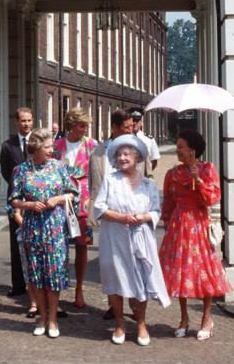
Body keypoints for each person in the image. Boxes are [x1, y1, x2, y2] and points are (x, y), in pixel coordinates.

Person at [93, 135, 170, 347]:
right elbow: (99, 208)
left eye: (126, 154)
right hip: (115, 237)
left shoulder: (149, 184)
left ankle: (141, 324)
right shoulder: (111, 180)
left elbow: (156, 210)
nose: (122, 158)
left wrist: (143, 217)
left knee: (140, 281)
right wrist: (121, 218)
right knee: (116, 279)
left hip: (141, 238)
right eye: (119, 155)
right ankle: (119, 324)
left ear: (137, 157)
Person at [159, 128, 231, 341]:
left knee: (202, 271)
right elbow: (168, 203)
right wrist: (167, 223)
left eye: (181, 147)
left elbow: (212, 198)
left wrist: (198, 179)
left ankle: (206, 318)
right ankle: (183, 318)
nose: (178, 151)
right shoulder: (172, 173)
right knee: (180, 272)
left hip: (198, 224)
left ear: (192, 150)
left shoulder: (207, 168)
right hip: (179, 226)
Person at [9, 128, 78, 338]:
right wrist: (29, 205)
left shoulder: (59, 167)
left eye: (51, 146)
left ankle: (53, 320)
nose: (51, 150)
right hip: (33, 228)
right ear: (36, 148)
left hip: (55, 227)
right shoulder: (21, 170)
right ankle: (41, 316)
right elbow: (13, 200)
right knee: (36, 274)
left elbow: (74, 193)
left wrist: (58, 199)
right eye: (47, 147)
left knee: (54, 274)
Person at [88, 107, 137, 320]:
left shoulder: (137, 150)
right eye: (126, 128)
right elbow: (93, 184)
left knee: (134, 261)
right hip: (107, 214)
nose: (130, 131)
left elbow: (144, 177)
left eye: (131, 127)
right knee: (110, 262)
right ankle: (114, 304)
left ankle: (136, 306)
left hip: (131, 213)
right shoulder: (98, 152)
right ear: (114, 128)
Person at [53, 107, 97, 309]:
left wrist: (94, 200)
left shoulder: (91, 145)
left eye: (86, 125)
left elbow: (97, 174)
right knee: (60, 248)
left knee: (81, 247)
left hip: (82, 203)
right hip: (60, 202)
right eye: (81, 125)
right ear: (71, 125)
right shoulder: (57, 145)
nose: (85, 128)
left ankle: (79, 288)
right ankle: (58, 289)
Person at [0, 107, 34, 299]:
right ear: (16, 122)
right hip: (16, 199)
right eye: (23, 121)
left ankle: (35, 283)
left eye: (29, 120)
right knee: (16, 240)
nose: (26, 124)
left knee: (35, 243)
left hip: (36, 199)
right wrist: (17, 189)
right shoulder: (7, 146)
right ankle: (18, 284)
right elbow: (5, 172)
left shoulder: (39, 143)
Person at [131, 108, 160, 175]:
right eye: (133, 120)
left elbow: (154, 160)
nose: (134, 123)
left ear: (141, 122)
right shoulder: (124, 139)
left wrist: (148, 171)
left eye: (137, 121)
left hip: (144, 176)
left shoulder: (149, 139)